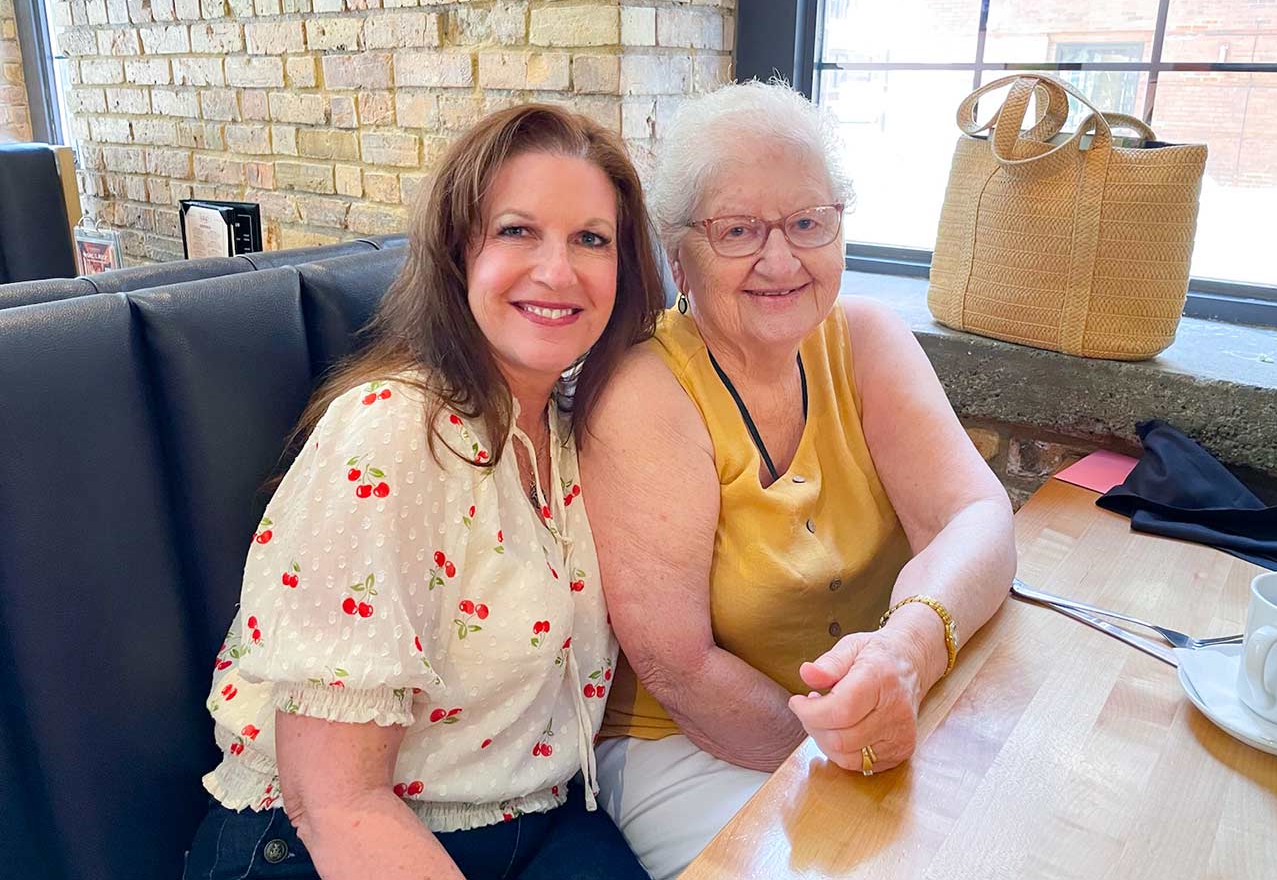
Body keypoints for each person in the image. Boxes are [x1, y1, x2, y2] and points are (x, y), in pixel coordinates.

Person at [183, 104, 664, 880]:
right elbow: (334, 802)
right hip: (320, 842)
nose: (558, 270)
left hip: (536, 816)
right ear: (455, 252)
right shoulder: (391, 433)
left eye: (591, 239)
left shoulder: (580, 431)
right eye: (517, 230)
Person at [582, 81, 1018, 880]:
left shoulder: (865, 339)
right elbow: (680, 668)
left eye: (808, 222)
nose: (779, 260)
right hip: (687, 748)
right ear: (680, 255)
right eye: (738, 230)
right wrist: (853, 746)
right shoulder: (648, 394)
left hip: (883, 718)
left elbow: (978, 515)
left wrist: (909, 652)